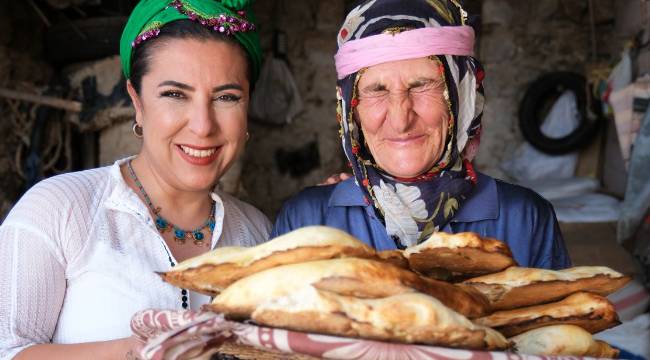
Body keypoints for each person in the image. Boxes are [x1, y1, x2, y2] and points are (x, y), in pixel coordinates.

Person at [0, 1, 269, 359]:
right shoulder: (61, 209)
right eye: (175, 94)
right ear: (137, 103)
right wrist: (132, 351)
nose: (203, 126)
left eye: (226, 97)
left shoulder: (260, 236)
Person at [272, 0, 571, 270]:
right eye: (377, 90)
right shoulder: (307, 219)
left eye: (421, 85)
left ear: (463, 98)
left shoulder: (524, 219)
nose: (401, 119)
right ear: (351, 112)